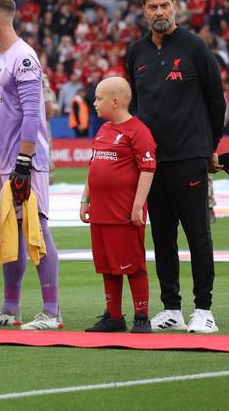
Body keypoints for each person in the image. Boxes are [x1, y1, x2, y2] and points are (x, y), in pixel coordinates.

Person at [125, 0, 226, 334]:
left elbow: (217, 100)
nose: (159, 12)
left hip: (189, 156)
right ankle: (171, 307)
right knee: (162, 237)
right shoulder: (135, 52)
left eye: (165, 5)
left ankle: (204, 308)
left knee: (198, 234)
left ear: (176, 6)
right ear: (144, 10)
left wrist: (211, 147)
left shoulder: (195, 47)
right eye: (152, 7)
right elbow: (132, 106)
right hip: (151, 163)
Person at [0, 0, 62, 330]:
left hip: (23, 162)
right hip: (2, 162)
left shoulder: (23, 58)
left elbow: (32, 113)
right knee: (8, 232)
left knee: (36, 230)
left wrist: (24, 160)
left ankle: (51, 311)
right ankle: (11, 307)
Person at [79, 77, 156, 334]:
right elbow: (94, 166)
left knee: (132, 263)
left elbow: (147, 168)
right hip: (100, 210)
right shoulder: (103, 130)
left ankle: (142, 315)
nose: (94, 103)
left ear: (115, 101)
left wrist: (138, 205)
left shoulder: (138, 131)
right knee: (106, 265)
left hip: (123, 211)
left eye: (99, 98)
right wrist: (85, 199)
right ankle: (114, 316)